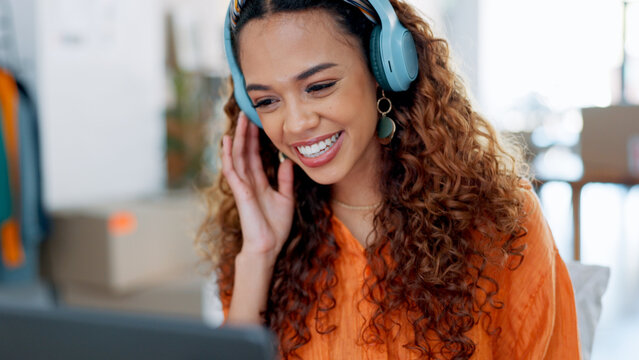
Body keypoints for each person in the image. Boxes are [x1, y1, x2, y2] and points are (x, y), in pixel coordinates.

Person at [196, 0, 582, 358]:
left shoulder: (500, 223)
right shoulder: (256, 240)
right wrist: (259, 256)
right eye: (267, 101)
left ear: (383, 67)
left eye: (319, 86)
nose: (295, 123)